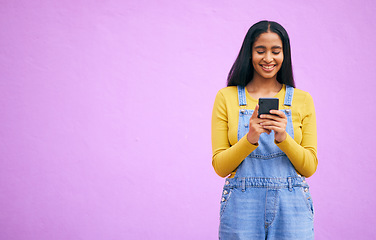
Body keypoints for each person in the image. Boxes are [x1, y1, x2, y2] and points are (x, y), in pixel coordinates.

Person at [211, 20, 318, 240]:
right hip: (242, 206)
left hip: (292, 207)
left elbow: (309, 167)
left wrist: (283, 137)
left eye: (275, 51)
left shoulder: (302, 100)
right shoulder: (226, 97)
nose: (268, 58)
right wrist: (249, 138)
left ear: (284, 55)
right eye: (260, 51)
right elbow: (221, 167)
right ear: (249, 54)